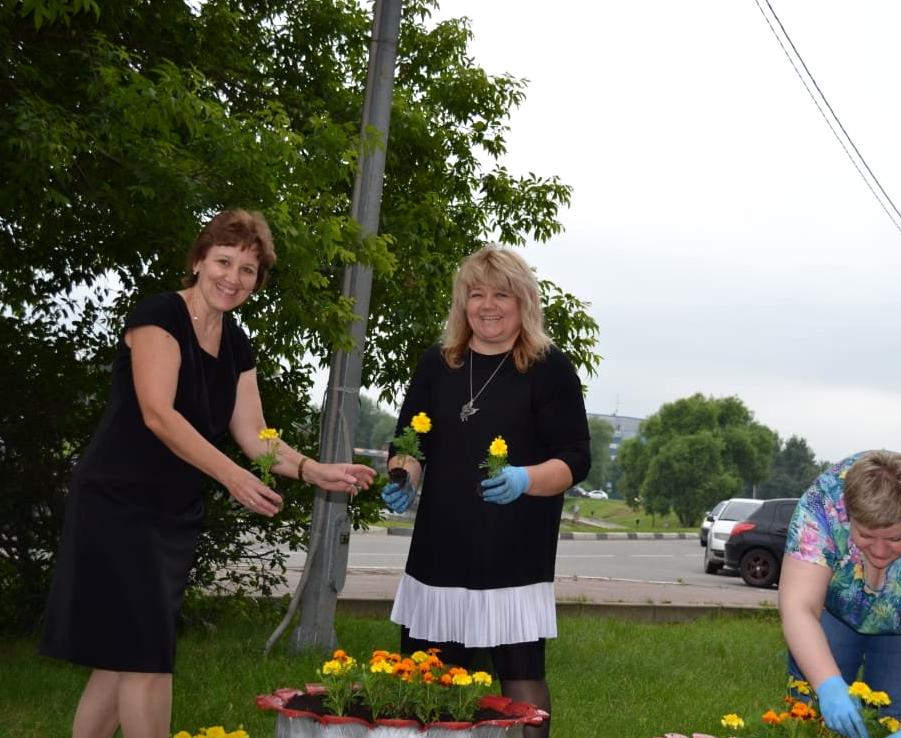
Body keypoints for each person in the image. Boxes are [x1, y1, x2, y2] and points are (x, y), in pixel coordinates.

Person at [39, 210, 376, 738]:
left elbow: (255, 436)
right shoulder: (158, 316)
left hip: (172, 514)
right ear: (199, 261)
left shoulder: (237, 345)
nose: (233, 277)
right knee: (148, 658)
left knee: (121, 660)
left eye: (248, 270)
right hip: (118, 506)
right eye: (224, 261)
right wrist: (232, 478)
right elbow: (158, 414)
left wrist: (314, 470)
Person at [380, 245, 590, 738]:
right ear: (463, 302)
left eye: (502, 295)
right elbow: (409, 440)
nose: (488, 306)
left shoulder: (549, 367)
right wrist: (404, 477)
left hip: (514, 555)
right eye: (477, 294)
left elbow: (576, 459)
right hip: (440, 551)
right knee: (427, 681)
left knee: (521, 681)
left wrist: (525, 479)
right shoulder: (438, 363)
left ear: (524, 304)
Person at [779, 450, 901, 738]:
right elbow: (797, 606)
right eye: (866, 536)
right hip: (834, 613)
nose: (880, 551)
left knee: (897, 719)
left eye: (895, 538)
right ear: (848, 514)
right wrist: (828, 685)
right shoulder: (823, 503)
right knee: (810, 716)